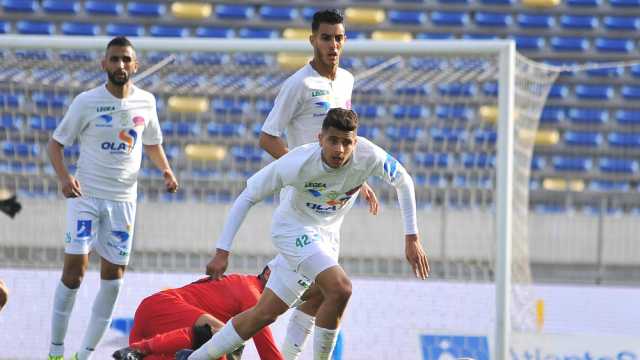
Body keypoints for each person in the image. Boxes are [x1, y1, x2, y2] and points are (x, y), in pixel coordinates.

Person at [185, 108, 430, 360]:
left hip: (326, 236)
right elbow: (248, 195)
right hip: (293, 230)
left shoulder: (369, 156)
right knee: (340, 288)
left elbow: (403, 181)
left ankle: (194, 358)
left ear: (355, 142)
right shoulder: (297, 162)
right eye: (333, 141)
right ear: (320, 138)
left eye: (347, 143)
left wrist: (412, 238)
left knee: (267, 313)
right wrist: (222, 250)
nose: (340, 150)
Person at [253, 9, 379, 359]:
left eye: (338, 38)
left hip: (332, 205)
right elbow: (267, 137)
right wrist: (303, 172)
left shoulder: (347, 81)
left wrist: (356, 178)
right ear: (313, 40)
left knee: (321, 293)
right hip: (301, 204)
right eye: (326, 37)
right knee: (319, 289)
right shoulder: (299, 84)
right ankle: (250, 291)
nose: (333, 45)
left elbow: (346, 139)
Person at [46, 36, 178, 360]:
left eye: (126, 59)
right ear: (103, 64)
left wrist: (166, 170)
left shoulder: (146, 102)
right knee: (74, 272)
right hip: (86, 196)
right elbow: (55, 144)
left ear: (135, 65)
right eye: (114, 59)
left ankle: (85, 355)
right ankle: (55, 351)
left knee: (113, 280)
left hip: (123, 202)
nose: (120, 65)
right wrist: (65, 178)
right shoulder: (86, 102)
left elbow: (151, 143)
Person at [112, 267, 284, 360]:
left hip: (156, 323)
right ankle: (141, 349)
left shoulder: (245, 285)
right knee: (225, 337)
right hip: (161, 307)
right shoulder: (252, 292)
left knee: (222, 347)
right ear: (268, 274)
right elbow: (268, 352)